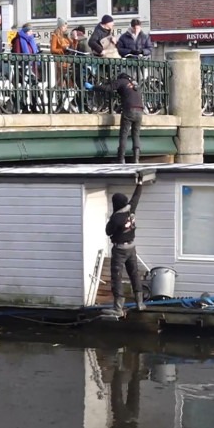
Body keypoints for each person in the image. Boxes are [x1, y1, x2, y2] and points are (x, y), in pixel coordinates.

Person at [105, 175, 145, 315]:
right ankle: (140, 303)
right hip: (132, 247)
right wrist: (139, 183)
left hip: (120, 249)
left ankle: (118, 307)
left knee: (116, 276)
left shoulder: (116, 218)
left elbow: (108, 231)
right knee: (134, 274)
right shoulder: (131, 209)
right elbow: (136, 197)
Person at [95, 73, 143, 163]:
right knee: (136, 134)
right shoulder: (134, 83)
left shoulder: (121, 81)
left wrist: (93, 87)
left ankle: (121, 158)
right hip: (140, 110)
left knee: (124, 134)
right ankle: (136, 158)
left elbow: (108, 88)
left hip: (129, 110)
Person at [51, 18, 73, 87]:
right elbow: (52, 49)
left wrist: (73, 39)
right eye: (64, 26)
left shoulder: (65, 36)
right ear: (60, 26)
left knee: (68, 78)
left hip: (67, 61)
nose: (66, 28)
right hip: (60, 61)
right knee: (61, 79)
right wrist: (62, 49)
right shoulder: (55, 36)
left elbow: (73, 45)